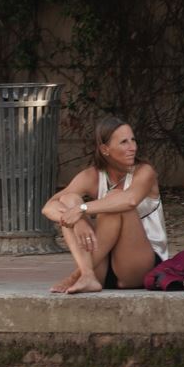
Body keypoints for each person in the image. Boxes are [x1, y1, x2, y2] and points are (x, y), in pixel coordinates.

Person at [41, 115, 168, 294]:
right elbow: (48, 207)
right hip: (102, 265)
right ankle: (87, 275)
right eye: (124, 142)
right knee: (69, 199)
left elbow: (129, 201)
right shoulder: (92, 176)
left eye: (133, 140)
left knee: (115, 200)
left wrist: (82, 209)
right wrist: (78, 220)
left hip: (140, 266)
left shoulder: (145, 172)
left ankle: (77, 275)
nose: (132, 147)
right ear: (105, 149)